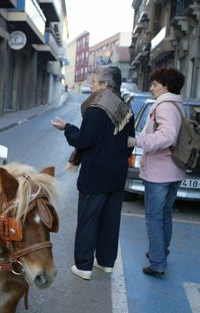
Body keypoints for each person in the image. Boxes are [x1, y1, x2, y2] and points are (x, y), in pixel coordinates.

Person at [52, 65, 135, 280]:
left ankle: (84, 266)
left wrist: (67, 128)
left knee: (89, 219)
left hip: (95, 174)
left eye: (95, 81)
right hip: (117, 174)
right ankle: (106, 263)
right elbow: (129, 144)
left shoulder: (96, 108)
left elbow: (83, 140)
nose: (91, 84)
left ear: (105, 84)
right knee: (110, 220)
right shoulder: (125, 109)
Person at [128, 68, 186, 277]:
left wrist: (139, 141)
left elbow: (167, 136)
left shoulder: (164, 106)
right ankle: (159, 251)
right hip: (173, 171)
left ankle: (158, 263)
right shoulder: (177, 105)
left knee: (154, 217)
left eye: (155, 84)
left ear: (166, 86)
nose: (151, 88)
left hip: (160, 172)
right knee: (164, 216)